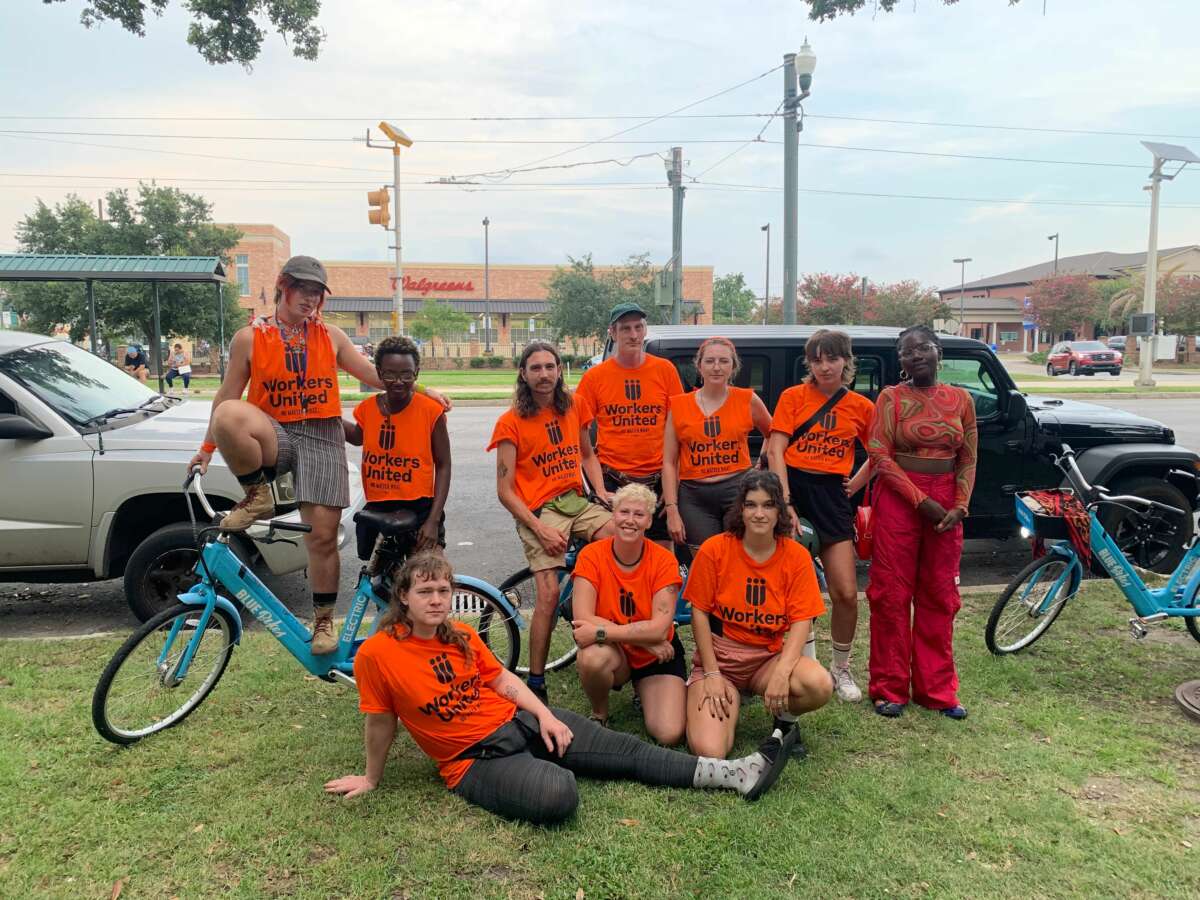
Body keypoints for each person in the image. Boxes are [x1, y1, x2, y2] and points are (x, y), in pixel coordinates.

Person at [325, 552, 798, 824]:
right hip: (471, 760)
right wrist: (371, 777)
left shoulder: (463, 635)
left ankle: (735, 773)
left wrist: (546, 716)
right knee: (559, 795)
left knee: (628, 752)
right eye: (424, 592)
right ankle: (541, 764)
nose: (436, 600)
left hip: (519, 721)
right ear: (403, 597)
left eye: (443, 591)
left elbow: (504, 681)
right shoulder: (378, 654)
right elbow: (381, 721)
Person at [188, 255, 449, 657]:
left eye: (316, 293)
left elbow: (375, 375)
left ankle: (324, 620)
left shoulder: (331, 336)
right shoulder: (250, 337)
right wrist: (206, 450)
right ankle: (259, 494)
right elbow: (227, 394)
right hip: (276, 433)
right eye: (303, 290)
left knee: (323, 537)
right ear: (283, 285)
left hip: (322, 435)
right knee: (227, 414)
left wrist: (422, 389)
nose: (310, 300)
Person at [488, 341, 616, 703]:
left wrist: (603, 494)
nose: (544, 375)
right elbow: (505, 490)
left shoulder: (573, 404)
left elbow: (588, 455)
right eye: (535, 368)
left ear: (560, 369)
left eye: (550, 366)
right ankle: (537, 681)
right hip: (540, 510)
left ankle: (614, 638)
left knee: (622, 544)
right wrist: (539, 527)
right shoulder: (510, 421)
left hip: (577, 501)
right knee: (546, 594)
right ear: (523, 374)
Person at [866, 325, 977, 720]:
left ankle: (938, 690)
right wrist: (921, 500)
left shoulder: (961, 399)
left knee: (940, 595)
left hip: (947, 499)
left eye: (923, 348)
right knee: (891, 594)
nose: (916, 356)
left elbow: (968, 456)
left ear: (938, 351)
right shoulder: (890, 398)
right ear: (900, 361)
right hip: (900, 498)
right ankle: (889, 687)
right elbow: (879, 453)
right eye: (907, 352)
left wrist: (960, 505)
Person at [683, 470, 832, 759]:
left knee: (818, 685)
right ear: (740, 508)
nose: (759, 513)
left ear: (780, 511)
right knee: (710, 751)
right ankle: (719, 697)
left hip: (766, 658)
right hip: (721, 658)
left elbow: (802, 620)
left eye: (768, 505)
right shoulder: (715, 549)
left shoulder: (796, 556)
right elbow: (699, 613)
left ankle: (785, 723)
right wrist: (712, 673)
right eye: (751, 505)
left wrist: (782, 672)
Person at [766, 328, 875, 703]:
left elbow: (879, 451)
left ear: (846, 360)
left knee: (845, 591)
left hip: (831, 496)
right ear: (808, 363)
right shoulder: (793, 397)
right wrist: (785, 502)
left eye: (832, 358)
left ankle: (840, 668)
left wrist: (855, 483)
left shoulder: (861, 406)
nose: (824, 366)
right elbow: (776, 449)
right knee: (788, 590)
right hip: (791, 490)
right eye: (817, 359)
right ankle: (790, 660)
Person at [571, 483, 686, 743]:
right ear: (613, 515)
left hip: (658, 653)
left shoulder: (664, 560)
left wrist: (606, 631)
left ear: (648, 522)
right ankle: (600, 713)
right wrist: (641, 639)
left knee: (669, 734)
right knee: (591, 657)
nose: (630, 521)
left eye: (639, 514)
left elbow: (659, 629)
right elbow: (582, 617)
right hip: (621, 651)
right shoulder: (591, 555)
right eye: (624, 512)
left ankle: (647, 691)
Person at [574, 303, 684, 545]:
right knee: (616, 553)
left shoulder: (664, 370)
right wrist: (598, 489)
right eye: (625, 329)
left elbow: (679, 430)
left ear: (645, 331)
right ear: (612, 333)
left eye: (638, 327)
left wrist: (673, 483)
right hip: (615, 481)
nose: (633, 335)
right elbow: (575, 431)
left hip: (658, 481)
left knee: (660, 556)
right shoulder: (595, 377)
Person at [343, 336, 450, 564]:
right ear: (379, 373)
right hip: (380, 506)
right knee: (383, 583)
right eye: (390, 374)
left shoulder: (431, 411)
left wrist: (433, 520)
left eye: (406, 374)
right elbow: (357, 437)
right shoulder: (367, 409)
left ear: (416, 373)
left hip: (419, 509)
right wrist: (326, 417)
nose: (398, 381)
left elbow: (443, 465)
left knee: (428, 576)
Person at [662, 336, 772, 552]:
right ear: (699, 365)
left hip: (738, 490)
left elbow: (775, 434)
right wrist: (672, 509)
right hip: (694, 496)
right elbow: (669, 461)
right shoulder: (679, 405)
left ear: (733, 366)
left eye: (724, 361)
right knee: (705, 560)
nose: (716, 367)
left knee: (740, 557)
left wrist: (761, 464)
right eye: (710, 361)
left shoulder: (747, 399)